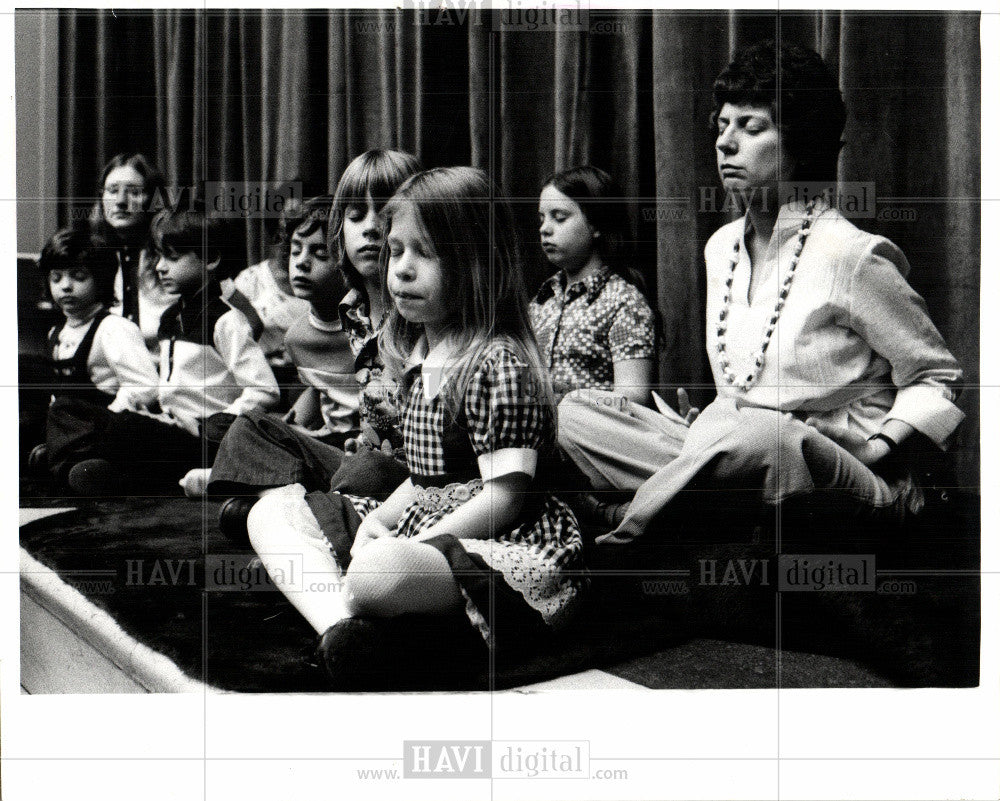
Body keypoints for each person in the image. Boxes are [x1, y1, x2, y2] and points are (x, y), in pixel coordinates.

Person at [558, 40, 965, 543]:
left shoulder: (852, 253)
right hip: (746, 450)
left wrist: (878, 446)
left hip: (841, 468)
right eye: (722, 126)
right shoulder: (720, 247)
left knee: (763, 436)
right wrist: (715, 431)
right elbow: (739, 391)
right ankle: (708, 479)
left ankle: (633, 521)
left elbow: (937, 374)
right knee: (577, 413)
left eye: (751, 128)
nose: (725, 143)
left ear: (799, 144)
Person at [246, 167, 587, 677]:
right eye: (396, 251)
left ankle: (348, 598)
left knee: (380, 573)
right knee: (270, 512)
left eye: (424, 254)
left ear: (478, 264)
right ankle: (342, 626)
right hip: (421, 522)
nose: (401, 270)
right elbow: (425, 480)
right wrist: (380, 521)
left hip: (492, 539)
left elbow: (505, 497)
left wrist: (411, 546)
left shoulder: (498, 362)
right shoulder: (420, 353)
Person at [205, 151, 422, 526]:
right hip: (359, 453)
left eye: (385, 215)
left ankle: (285, 513)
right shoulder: (352, 310)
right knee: (249, 427)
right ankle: (298, 510)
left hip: (413, 471)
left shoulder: (419, 309)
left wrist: (371, 448)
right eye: (355, 216)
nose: (371, 228)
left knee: (362, 474)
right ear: (341, 230)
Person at [46, 199, 280, 495]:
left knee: (100, 423)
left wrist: (209, 427)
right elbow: (169, 390)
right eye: (158, 257)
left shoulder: (225, 321)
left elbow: (265, 391)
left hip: (203, 440)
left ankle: (67, 461)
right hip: (170, 429)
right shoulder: (171, 319)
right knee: (73, 409)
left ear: (210, 259)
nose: (159, 267)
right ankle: (97, 470)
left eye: (172, 258)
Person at [30, 227, 160, 488]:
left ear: (99, 279)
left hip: (106, 424)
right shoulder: (57, 332)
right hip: (70, 426)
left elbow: (145, 387)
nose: (65, 286)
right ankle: (57, 457)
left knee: (64, 411)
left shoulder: (113, 328)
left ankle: (75, 465)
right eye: (56, 278)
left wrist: (110, 416)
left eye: (78, 277)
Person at [531, 165, 656, 405]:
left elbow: (633, 398)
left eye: (559, 217)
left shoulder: (624, 301)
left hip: (590, 436)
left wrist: (572, 411)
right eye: (542, 218)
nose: (544, 229)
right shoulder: (541, 300)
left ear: (596, 224)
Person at [90, 152, 177, 353]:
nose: (121, 201)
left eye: (134, 192)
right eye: (112, 190)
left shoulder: (176, 253)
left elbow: (243, 319)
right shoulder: (94, 254)